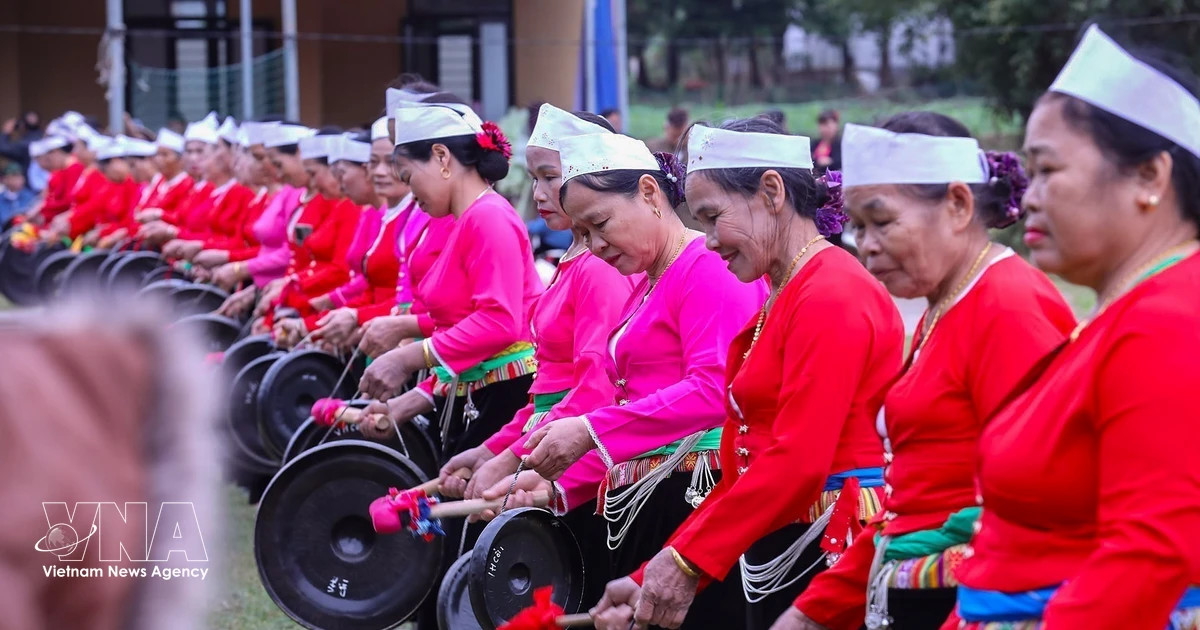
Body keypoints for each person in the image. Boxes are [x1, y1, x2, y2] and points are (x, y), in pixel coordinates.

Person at [585, 118, 903, 630]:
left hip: (829, 540)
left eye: (713, 216)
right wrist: (656, 571)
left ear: (772, 192)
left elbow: (797, 458)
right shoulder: (789, 290)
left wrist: (686, 562)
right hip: (791, 536)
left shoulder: (831, 292)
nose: (708, 241)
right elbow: (747, 465)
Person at [776, 115, 1076, 630]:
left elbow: (1034, 505)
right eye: (857, 226)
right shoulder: (946, 304)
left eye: (882, 222)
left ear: (958, 205)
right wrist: (814, 611)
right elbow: (916, 493)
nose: (865, 245)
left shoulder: (1008, 305)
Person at [945, 26, 1200, 629]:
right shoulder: (1126, 314)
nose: (1028, 197)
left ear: (1149, 178)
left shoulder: (1168, 320)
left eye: (1048, 169)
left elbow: (1152, 552)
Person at [500, 131, 765, 629]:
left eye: (600, 224)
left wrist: (590, 432)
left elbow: (715, 389)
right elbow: (623, 400)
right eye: (582, 232)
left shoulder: (707, 269)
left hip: (693, 499)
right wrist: (558, 488)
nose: (596, 246)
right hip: (646, 498)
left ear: (648, 193)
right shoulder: (647, 281)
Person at [358, 99, 540, 461]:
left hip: (503, 394)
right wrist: (412, 400)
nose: (411, 193)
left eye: (409, 177)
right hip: (477, 391)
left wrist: (409, 357)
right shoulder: (466, 220)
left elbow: (498, 322)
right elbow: (461, 331)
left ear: (442, 157)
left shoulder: (488, 218)